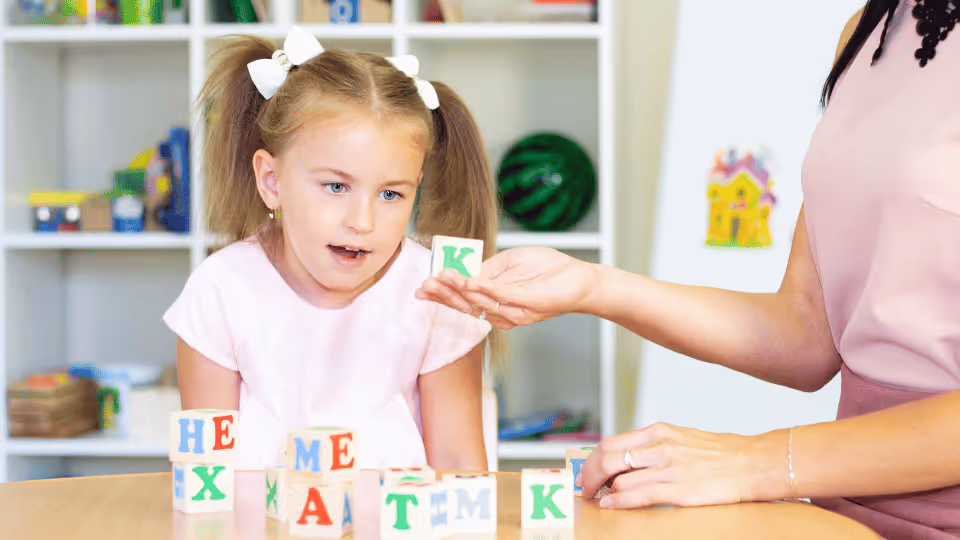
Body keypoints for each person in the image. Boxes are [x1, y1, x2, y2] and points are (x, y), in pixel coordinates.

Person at [416, 1, 960, 537]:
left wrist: (753, 462)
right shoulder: (868, 31)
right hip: (844, 503)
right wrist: (591, 284)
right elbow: (806, 333)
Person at [163, 27, 498, 472]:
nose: (362, 221)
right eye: (336, 186)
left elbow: (459, 464)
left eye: (391, 194)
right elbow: (204, 471)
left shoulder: (438, 292)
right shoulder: (221, 288)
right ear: (272, 181)